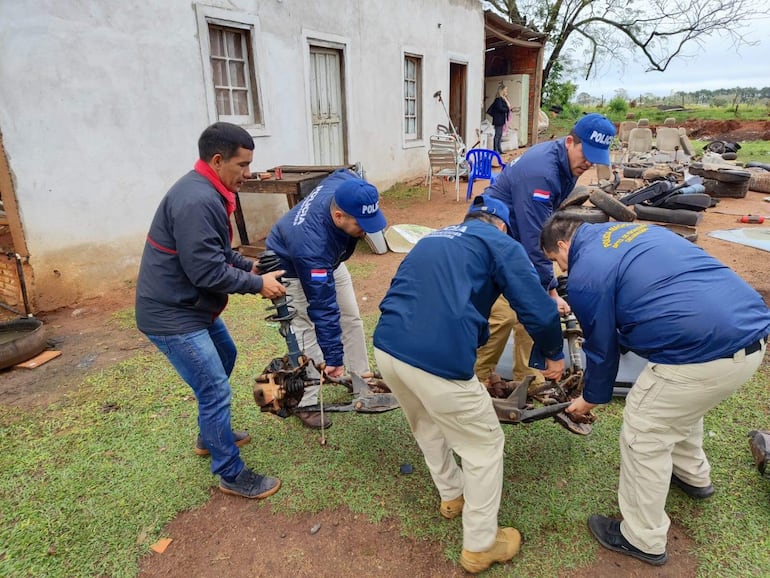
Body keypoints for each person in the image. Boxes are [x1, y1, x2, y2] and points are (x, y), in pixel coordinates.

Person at [539, 213, 770, 565]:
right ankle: (693, 476)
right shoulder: (634, 233)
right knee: (678, 408)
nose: (561, 270)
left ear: (563, 244)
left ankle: (642, 538)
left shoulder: (586, 271)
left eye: (556, 261)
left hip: (704, 353)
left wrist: (589, 399)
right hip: (750, 336)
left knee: (644, 430)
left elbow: (601, 348)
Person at [373, 195, 565, 574]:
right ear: (502, 226)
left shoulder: (432, 238)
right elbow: (536, 308)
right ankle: (480, 544)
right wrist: (554, 354)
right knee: (484, 447)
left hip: (388, 347)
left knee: (426, 425)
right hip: (437, 359)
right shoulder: (501, 243)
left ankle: (452, 495)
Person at [135, 122, 286, 499]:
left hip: (189, 305)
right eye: (242, 165)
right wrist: (258, 284)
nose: (248, 174)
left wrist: (248, 265)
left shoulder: (208, 191)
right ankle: (231, 473)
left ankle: (209, 436)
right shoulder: (198, 200)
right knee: (214, 387)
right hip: (171, 314)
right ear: (218, 161)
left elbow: (215, 252)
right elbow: (205, 270)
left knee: (225, 356)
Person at [475, 113, 616, 390]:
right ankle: (475, 376)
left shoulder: (564, 166)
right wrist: (550, 290)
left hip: (516, 235)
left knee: (532, 308)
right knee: (504, 313)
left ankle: (529, 377)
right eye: (585, 154)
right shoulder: (542, 173)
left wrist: (544, 291)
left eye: (594, 158)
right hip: (492, 235)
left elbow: (544, 224)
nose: (588, 162)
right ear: (568, 142)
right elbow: (535, 238)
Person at [265, 169, 387, 430]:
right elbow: (323, 306)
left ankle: (360, 382)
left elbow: (345, 172)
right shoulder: (312, 246)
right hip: (293, 267)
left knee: (351, 317)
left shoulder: (347, 184)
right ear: (338, 215)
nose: (366, 233)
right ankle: (307, 403)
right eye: (361, 227)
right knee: (307, 331)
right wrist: (333, 358)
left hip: (329, 258)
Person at [486, 83, 510, 155]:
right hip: (498, 119)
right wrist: (507, 109)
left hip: (501, 119)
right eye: (505, 90)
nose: (506, 91)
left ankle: (499, 149)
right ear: (502, 90)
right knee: (497, 135)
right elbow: (500, 108)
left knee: (500, 135)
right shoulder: (498, 99)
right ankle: (495, 149)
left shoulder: (503, 99)